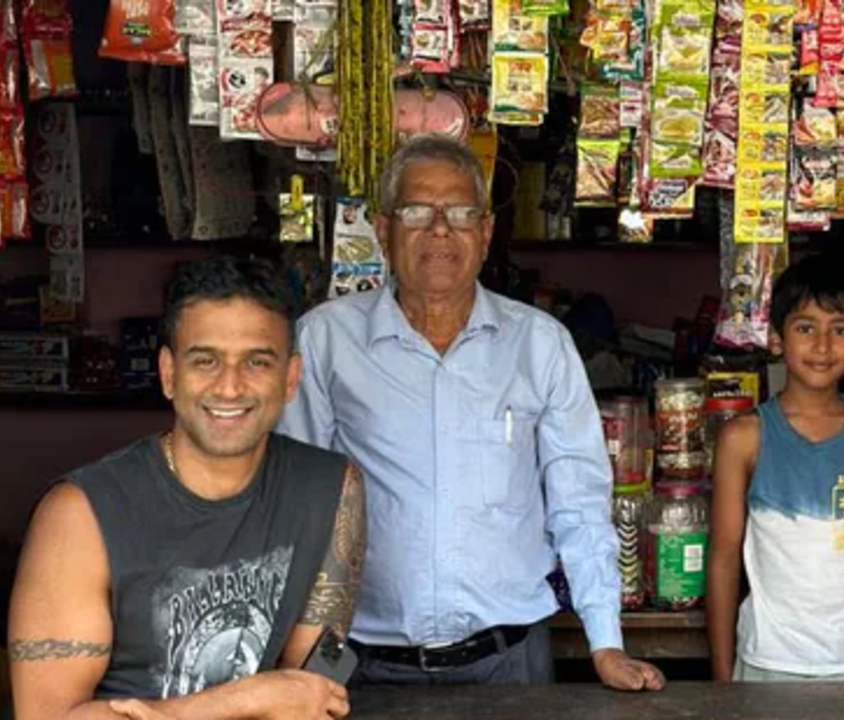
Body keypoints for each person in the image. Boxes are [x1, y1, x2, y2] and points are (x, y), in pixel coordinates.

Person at [278, 134, 664, 691]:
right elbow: (296, 499)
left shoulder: (540, 346)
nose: (440, 229)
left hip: (510, 663)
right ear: (383, 230)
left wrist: (606, 643)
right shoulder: (325, 340)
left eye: (460, 212)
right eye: (417, 211)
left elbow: (578, 503)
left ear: (485, 233)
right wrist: (294, 658)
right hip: (362, 665)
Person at [8, 256, 368, 719]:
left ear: (291, 377)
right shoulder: (79, 515)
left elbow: (311, 698)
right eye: (205, 361)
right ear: (168, 373)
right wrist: (241, 701)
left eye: (257, 361)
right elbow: (48, 718)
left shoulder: (332, 490)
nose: (230, 387)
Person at [706, 255, 844, 683]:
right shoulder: (745, 438)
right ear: (776, 339)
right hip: (771, 660)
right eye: (805, 328)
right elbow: (724, 559)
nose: (822, 346)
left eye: (839, 330)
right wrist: (723, 678)